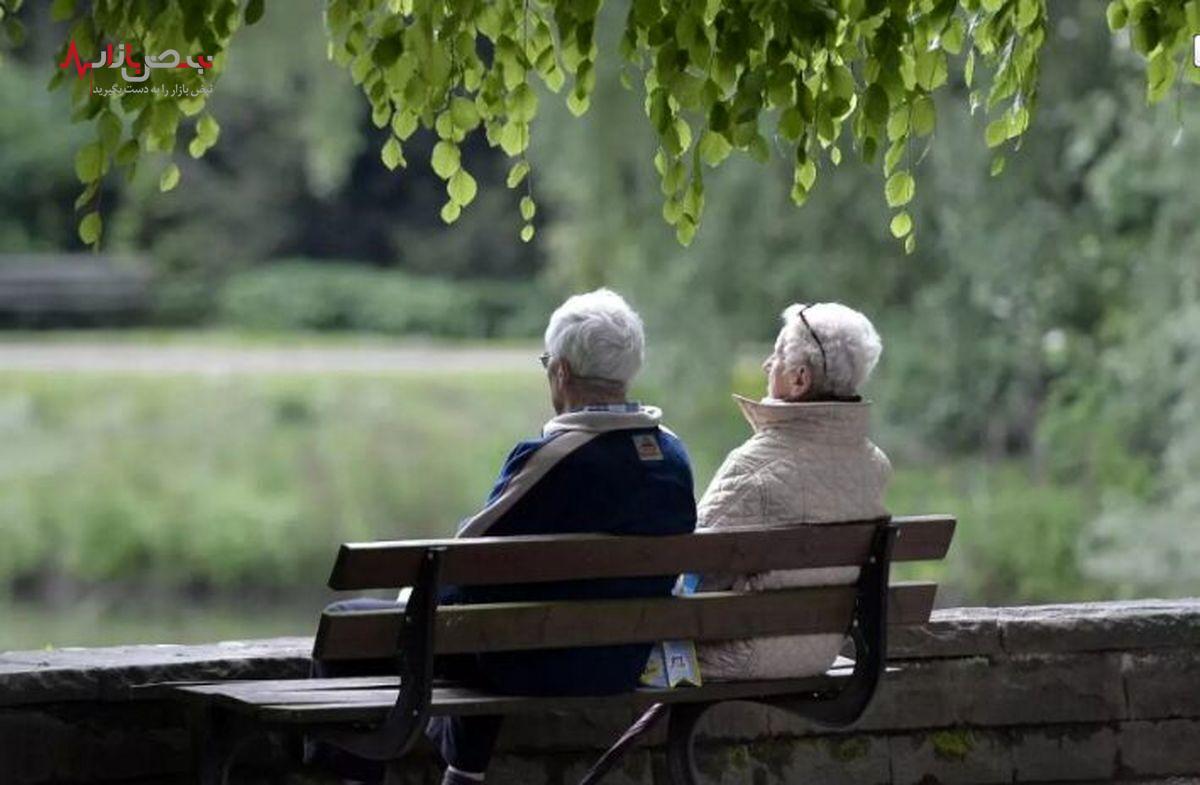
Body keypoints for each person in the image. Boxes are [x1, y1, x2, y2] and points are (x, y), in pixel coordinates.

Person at [309, 288, 697, 785]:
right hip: (620, 661)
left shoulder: (553, 458)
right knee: (491, 618)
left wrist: (413, 600)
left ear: (560, 372)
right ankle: (463, 774)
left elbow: (462, 558)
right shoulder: (673, 457)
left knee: (365, 624)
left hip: (533, 662)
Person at [692, 302, 891, 681]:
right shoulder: (876, 466)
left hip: (736, 655)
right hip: (818, 654)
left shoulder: (754, 467)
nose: (768, 365)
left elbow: (693, 570)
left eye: (777, 354)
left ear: (799, 380)